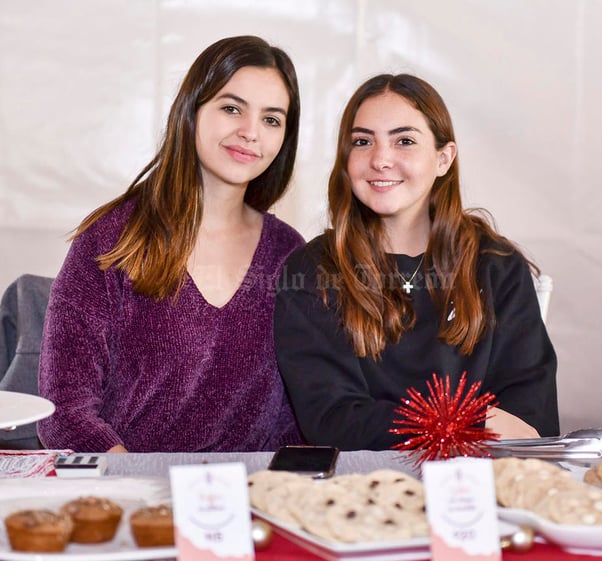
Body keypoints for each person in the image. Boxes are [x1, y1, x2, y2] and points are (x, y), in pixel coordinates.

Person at [38, 35, 305, 453]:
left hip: (250, 501)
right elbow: (64, 410)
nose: (251, 132)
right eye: (231, 108)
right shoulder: (113, 238)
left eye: (272, 119)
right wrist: (139, 489)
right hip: (133, 499)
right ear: (191, 112)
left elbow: (297, 418)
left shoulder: (289, 252)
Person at [274, 73, 559, 451]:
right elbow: (331, 419)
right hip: (359, 494)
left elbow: (531, 419)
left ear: (444, 159)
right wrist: (463, 422)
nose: (380, 159)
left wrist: (399, 422)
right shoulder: (311, 270)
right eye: (362, 141)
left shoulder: (496, 265)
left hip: (479, 492)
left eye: (404, 141)